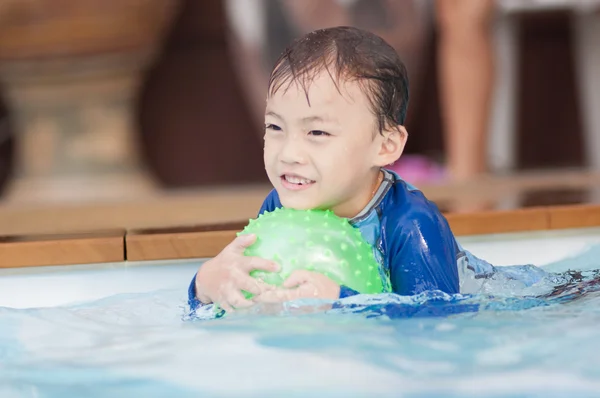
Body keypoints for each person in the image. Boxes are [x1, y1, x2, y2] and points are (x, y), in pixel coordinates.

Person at [187, 26, 545, 314]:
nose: (288, 154)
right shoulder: (281, 206)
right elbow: (246, 298)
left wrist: (341, 301)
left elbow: (436, 323)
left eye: (316, 132)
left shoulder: (411, 224)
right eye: (276, 128)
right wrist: (205, 285)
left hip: (515, 301)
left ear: (385, 146)